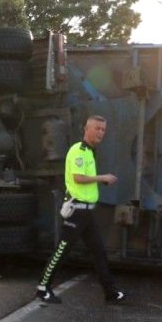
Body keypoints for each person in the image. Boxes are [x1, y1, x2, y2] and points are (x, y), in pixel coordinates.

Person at [35, 116, 126, 304]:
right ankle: (43, 288)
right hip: (77, 210)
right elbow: (78, 177)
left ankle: (110, 292)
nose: (101, 132)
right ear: (87, 129)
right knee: (62, 250)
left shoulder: (90, 152)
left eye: (103, 129)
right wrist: (102, 178)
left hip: (87, 213)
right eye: (97, 128)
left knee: (99, 252)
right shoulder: (79, 150)